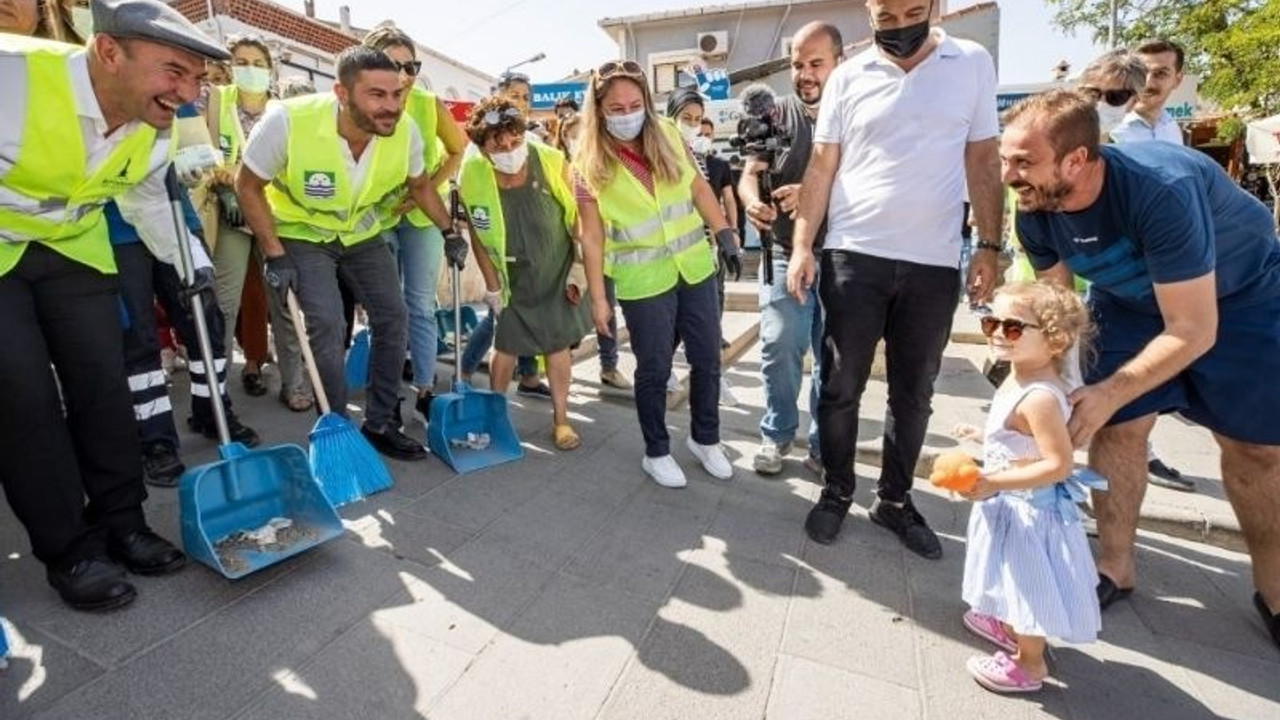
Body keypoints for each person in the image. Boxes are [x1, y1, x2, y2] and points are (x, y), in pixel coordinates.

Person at [1001, 89, 1280, 650]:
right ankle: (1114, 566)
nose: (1009, 174)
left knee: (1256, 450)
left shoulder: (1161, 191)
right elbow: (1059, 312)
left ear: (1076, 161)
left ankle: (1274, 591)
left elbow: (1193, 329)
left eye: (1023, 161)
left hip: (1238, 298)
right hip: (1126, 303)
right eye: (1006, 159)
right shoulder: (1035, 206)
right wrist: (1037, 391)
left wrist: (1109, 389)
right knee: (1119, 427)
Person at [0, 0, 229, 611]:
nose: (185, 94)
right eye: (173, 72)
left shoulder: (154, 127)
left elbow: (149, 202)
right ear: (108, 53)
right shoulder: (10, 74)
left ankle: (123, 523)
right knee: (24, 399)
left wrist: (191, 270)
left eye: (196, 81)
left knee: (106, 386)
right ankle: (71, 549)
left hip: (75, 252)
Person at [788, 0, 1003, 555]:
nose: (899, 25)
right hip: (854, 256)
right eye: (885, 16)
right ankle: (836, 490)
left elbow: (983, 159)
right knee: (839, 388)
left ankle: (895, 500)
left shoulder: (971, 63)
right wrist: (802, 246)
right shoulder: (849, 76)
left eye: (911, 11)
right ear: (869, 12)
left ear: (935, 6)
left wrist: (990, 246)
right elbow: (822, 164)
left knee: (914, 394)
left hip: (933, 263)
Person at [235, 45, 465, 461]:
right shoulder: (288, 120)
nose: (391, 106)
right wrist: (274, 253)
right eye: (377, 95)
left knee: (394, 316)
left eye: (395, 94)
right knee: (326, 321)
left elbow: (420, 187)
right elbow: (247, 185)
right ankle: (336, 427)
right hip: (301, 233)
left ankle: (380, 423)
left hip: (359, 232)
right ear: (342, 94)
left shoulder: (406, 131)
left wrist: (449, 231)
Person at [576, 60, 740, 488]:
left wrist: (723, 232)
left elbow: (698, 187)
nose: (628, 112)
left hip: (695, 267)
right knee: (653, 367)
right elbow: (591, 238)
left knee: (707, 357)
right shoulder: (587, 162)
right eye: (616, 107)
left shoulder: (667, 134)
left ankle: (706, 438)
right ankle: (657, 450)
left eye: (635, 103)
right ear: (599, 110)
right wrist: (599, 300)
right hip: (644, 281)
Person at [960, 282, 1102, 694]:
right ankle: (1006, 625)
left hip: (1029, 512)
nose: (998, 333)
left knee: (1027, 585)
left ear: (1055, 340)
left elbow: (1057, 465)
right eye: (991, 322)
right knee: (1005, 574)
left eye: (1014, 328)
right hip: (1009, 502)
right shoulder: (1018, 377)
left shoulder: (1039, 397)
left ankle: (1030, 663)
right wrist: (982, 436)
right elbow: (1015, 436)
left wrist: (992, 480)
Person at [739, 21, 842, 476]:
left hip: (844, 257)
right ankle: (777, 434)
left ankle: (823, 444)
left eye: (816, 63)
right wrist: (750, 201)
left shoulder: (859, 113)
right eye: (798, 64)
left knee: (833, 359)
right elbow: (749, 171)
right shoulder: (773, 114)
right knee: (780, 344)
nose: (805, 73)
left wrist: (813, 191)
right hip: (782, 252)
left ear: (839, 63)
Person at [1087, 47, 1193, 492]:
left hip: (1160, 275)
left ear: (1176, 79)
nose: (1149, 84)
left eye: (1160, 74)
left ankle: (1138, 456)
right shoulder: (1103, 132)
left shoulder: (1172, 131)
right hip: (1099, 273)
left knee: (1138, 384)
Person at [459, 98, 591, 450]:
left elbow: (578, 213)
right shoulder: (472, 175)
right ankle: (494, 417)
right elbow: (476, 233)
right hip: (510, 276)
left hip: (555, 267)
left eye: (514, 140)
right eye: (497, 144)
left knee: (557, 345)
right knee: (505, 346)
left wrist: (579, 266)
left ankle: (561, 419)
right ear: (482, 147)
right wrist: (491, 286)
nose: (508, 149)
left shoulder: (550, 160)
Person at [107, 186, 260, 487]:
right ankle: (155, 439)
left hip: (176, 220)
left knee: (205, 321)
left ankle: (212, 410)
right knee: (139, 338)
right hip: (118, 228)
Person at [198, 35, 312, 412]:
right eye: (241, 61)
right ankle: (215, 391)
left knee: (283, 302)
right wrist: (225, 183)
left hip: (273, 216)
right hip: (231, 212)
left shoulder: (283, 110)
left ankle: (294, 382)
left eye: (258, 62)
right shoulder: (216, 102)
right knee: (226, 301)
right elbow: (201, 149)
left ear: (270, 69)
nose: (250, 69)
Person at [363, 26, 467, 423]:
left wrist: (426, 188)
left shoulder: (427, 103)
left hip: (422, 215)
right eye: (393, 65)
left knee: (419, 304)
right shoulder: (363, 105)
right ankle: (385, 398)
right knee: (384, 309)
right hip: (376, 217)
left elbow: (458, 149)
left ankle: (425, 388)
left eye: (411, 66)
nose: (403, 74)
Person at [459, 70, 553, 399]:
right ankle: (466, 370)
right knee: (502, 315)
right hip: (500, 246)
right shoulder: (480, 150)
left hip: (534, 247)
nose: (522, 104)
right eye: (515, 97)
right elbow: (473, 206)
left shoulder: (536, 142)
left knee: (524, 313)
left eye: (526, 98)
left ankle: (528, 376)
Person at [665, 87, 741, 405]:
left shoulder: (704, 160)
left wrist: (727, 234)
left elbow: (717, 199)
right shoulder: (663, 154)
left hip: (703, 247)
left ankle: (713, 377)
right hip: (670, 251)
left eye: (698, 120)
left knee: (707, 318)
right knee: (675, 320)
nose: (693, 126)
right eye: (686, 118)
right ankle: (665, 368)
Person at [557, 110, 630, 391]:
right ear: (563, 138)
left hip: (601, 251)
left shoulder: (600, 167)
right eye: (572, 135)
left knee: (607, 309)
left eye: (582, 134)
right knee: (569, 312)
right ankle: (565, 363)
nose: (578, 140)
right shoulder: (556, 166)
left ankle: (609, 367)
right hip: (568, 254)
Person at [1110, 39, 1185, 146]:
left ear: (1177, 80)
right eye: (1141, 72)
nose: (1147, 83)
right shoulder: (1108, 130)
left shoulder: (1172, 128)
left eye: (1160, 73)